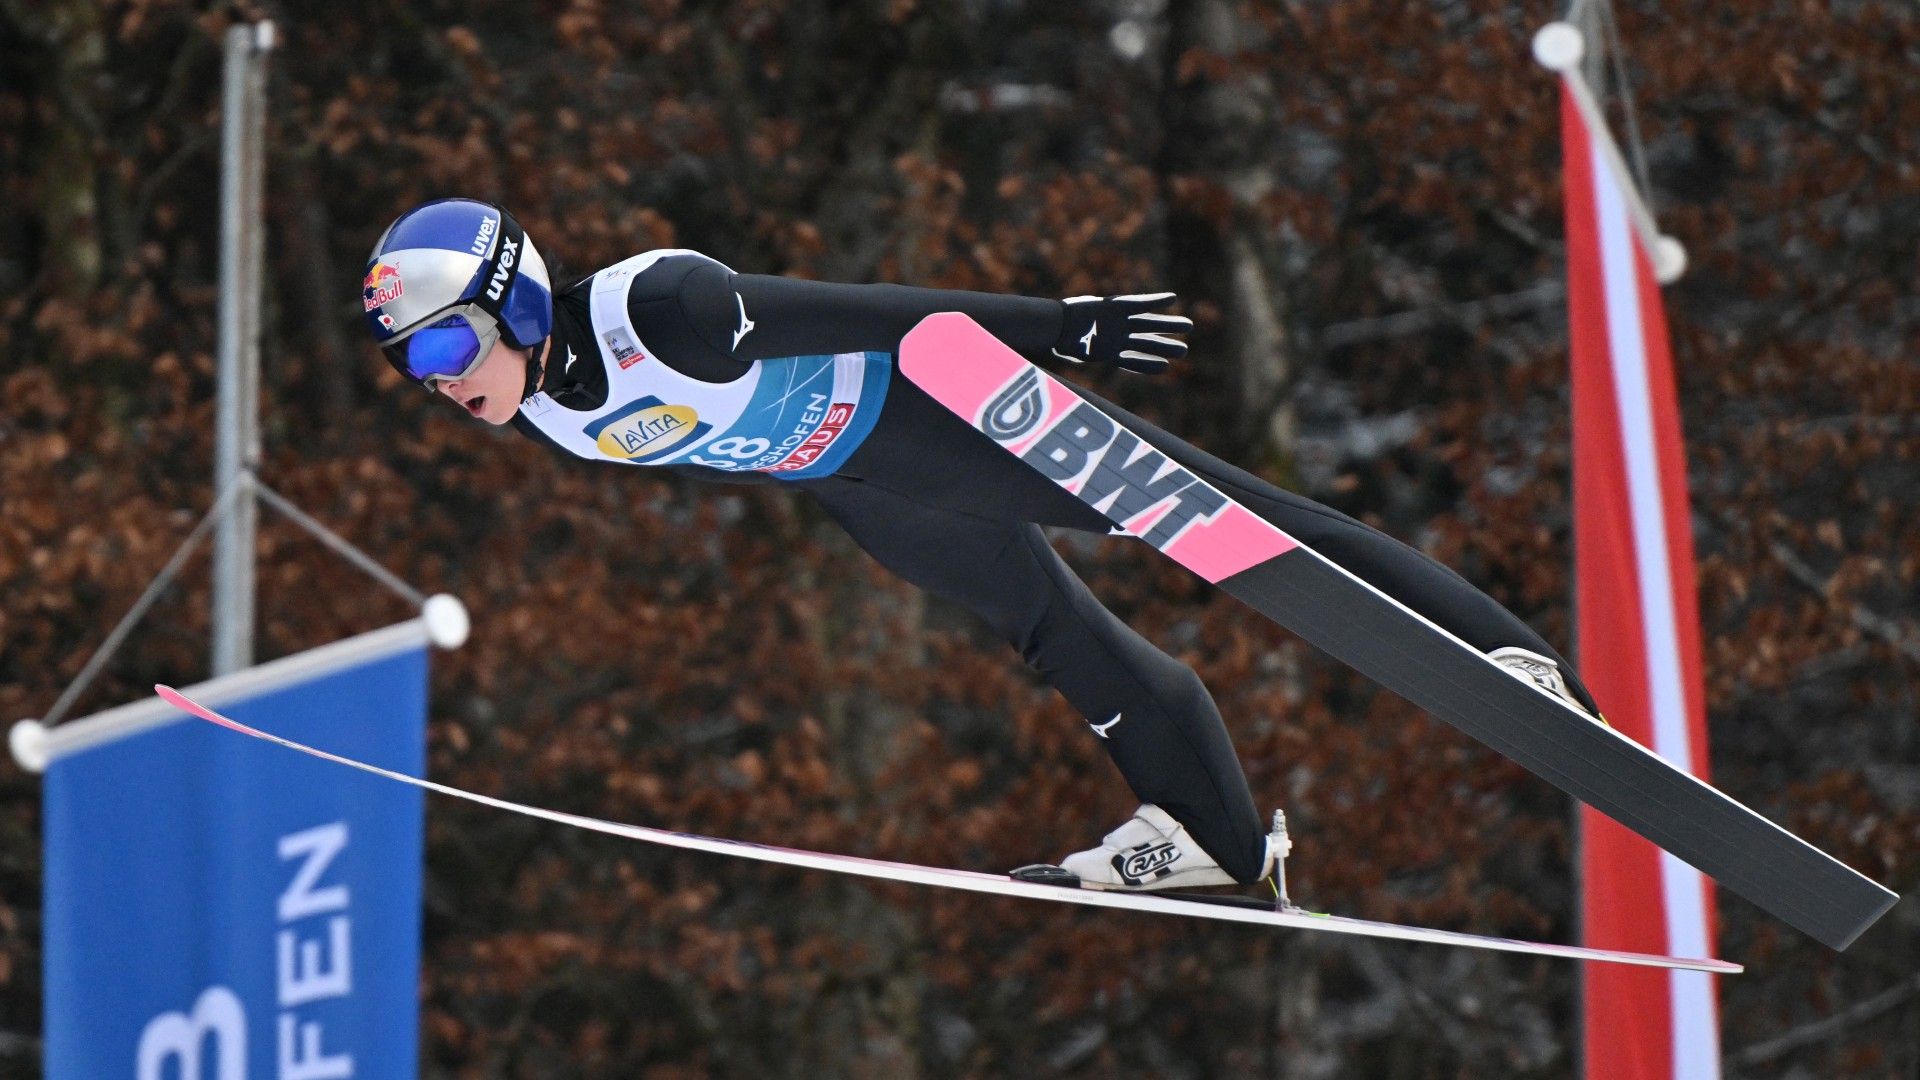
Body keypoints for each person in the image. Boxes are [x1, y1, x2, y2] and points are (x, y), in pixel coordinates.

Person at [363, 197, 1600, 893]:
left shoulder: (658, 308)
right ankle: (1220, 843)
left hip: (939, 416)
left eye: (443, 349)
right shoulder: (545, 408)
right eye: (415, 371)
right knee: (1054, 633)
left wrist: (1056, 329)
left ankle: (1508, 657)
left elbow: (872, 315)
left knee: (1229, 520)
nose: (440, 384)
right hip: (864, 486)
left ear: (515, 299)